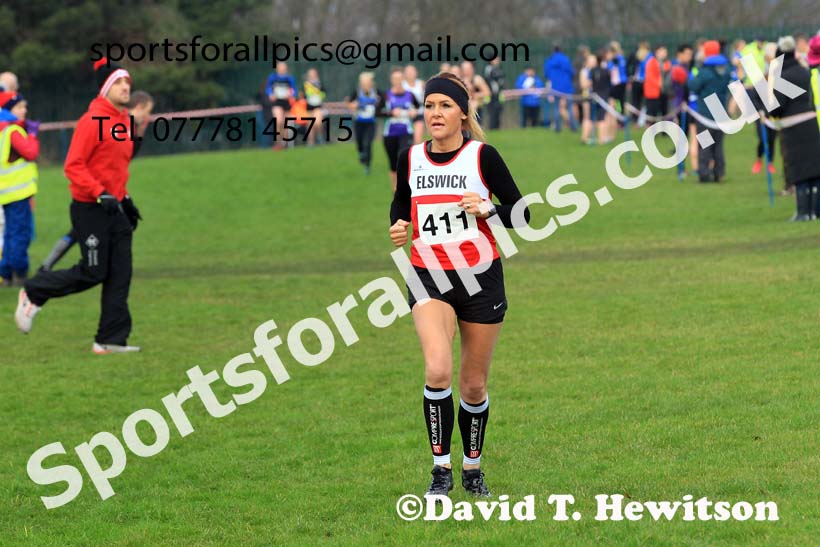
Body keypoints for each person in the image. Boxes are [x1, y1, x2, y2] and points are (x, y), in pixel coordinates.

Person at [388, 72, 529, 498]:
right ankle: (439, 470)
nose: (435, 113)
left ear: (463, 115)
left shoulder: (483, 156)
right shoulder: (409, 158)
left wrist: (488, 210)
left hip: (480, 277)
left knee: (473, 384)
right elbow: (401, 205)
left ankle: (472, 469)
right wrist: (398, 225)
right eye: (429, 105)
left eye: (445, 106)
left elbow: (522, 214)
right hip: (428, 273)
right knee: (437, 369)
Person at [15, 58, 142, 354]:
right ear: (106, 87)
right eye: (120, 82)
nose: (126, 87)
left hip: (115, 209)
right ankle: (35, 290)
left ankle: (110, 339)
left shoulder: (125, 121)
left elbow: (116, 167)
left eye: (128, 83)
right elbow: (73, 166)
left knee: (120, 272)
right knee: (94, 271)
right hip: (90, 208)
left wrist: (124, 198)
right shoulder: (92, 121)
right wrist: (100, 193)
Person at [39, 91, 155, 272]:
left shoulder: (124, 122)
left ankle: (50, 267)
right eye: (147, 111)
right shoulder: (119, 123)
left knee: (87, 232)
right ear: (139, 108)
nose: (148, 117)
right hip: (96, 192)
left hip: (108, 190)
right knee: (81, 235)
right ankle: (47, 270)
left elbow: (124, 159)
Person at [768, 36, 820, 221]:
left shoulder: (782, 76)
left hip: (793, 128)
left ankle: (802, 212)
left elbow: (778, 107)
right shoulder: (804, 71)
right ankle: (815, 211)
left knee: (799, 170)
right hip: (811, 124)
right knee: (815, 170)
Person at [0, 92, 40, 288]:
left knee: (9, 234)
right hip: (18, 193)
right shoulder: (13, 131)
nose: (24, 110)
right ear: (7, 111)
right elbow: (31, 153)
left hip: (6, 193)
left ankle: (6, 273)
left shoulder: (3, 131)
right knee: (20, 234)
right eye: (19, 107)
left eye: (25, 106)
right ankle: (20, 273)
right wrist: (32, 135)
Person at [688, 40, 731, 183]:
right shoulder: (726, 69)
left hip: (706, 112)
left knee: (705, 144)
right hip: (720, 111)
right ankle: (719, 173)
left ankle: (704, 173)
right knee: (718, 145)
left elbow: (693, 86)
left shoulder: (705, 72)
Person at [381, 67, 419, 192]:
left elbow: (419, 107)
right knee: (393, 163)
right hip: (390, 134)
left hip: (406, 133)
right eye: (395, 78)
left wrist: (414, 111)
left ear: (403, 79)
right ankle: (395, 190)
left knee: (403, 159)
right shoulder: (386, 95)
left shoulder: (410, 95)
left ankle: (405, 187)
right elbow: (377, 112)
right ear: (391, 80)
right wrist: (391, 113)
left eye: (399, 78)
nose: (397, 81)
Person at [346, 72, 381, 175]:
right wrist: (353, 105)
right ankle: (361, 153)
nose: (366, 85)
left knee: (368, 143)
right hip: (359, 122)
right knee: (360, 142)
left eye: (368, 82)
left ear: (371, 83)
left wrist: (378, 105)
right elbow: (348, 103)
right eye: (364, 83)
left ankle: (367, 165)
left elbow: (384, 100)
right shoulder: (357, 92)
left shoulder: (376, 92)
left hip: (371, 123)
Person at [265, 61, 297, 150]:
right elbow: (268, 88)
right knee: (278, 121)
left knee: (285, 123)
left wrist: (291, 95)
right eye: (280, 67)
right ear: (277, 68)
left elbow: (294, 90)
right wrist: (271, 94)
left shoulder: (289, 78)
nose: (282, 69)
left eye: (283, 67)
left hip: (286, 102)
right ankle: (278, 142)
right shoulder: (273, 77)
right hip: (277, 102)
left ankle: (284, 143)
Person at [544, 46, 575, 131]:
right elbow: (571, 71)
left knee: (556, 107)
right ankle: (573, 126)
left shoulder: (549, 60)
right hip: (567, 86)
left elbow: (546, 73)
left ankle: (557, 127)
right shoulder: (565, 59)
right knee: (569, 107)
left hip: (555, 87)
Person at [460, 61, 490, 125]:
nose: (466, 71)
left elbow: (487, 92)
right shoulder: (459, 80)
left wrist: (477, 95)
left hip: (476, 106)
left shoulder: (477, 79)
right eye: (464, 69)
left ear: (472, 69)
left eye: (468, 69)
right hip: (463, 107)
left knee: (474, 104)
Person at [644, 44, 669, 121]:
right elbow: (650, 77)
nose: (664, 54)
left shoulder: (667, 63)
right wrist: (659, 84)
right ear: (657, 52)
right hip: (653, 93)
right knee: (652, 113)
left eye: (665, 52)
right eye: (662, 51)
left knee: (664, 112)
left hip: (664, 92)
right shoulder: (651, 62)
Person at [302, 68, 325, 146]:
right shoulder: (305, 84)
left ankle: (320, 136)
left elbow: (323, 93)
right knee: (310, 125)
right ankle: (311, 142)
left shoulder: (320, 84)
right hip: (309, 107)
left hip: (318, 106)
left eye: (314, 74)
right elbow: (303, 96)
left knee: (318, 123)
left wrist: (318, 93)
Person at [403, 65, 425, 144]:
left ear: (416, 73)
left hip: (419, 114)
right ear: (404, 74)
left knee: (417, 139)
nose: (410, 74)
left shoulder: (421, 84)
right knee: (406, 142)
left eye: (412, 71)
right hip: (405, 115)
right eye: (408, 72)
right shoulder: (402, 85)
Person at [483, 56, 505, 130]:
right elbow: (489, 80)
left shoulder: (499, 69)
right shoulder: (489, 69)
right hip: (491, 95)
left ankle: (497, 128)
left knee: (498, 112)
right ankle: (492, 128)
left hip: (498, 95)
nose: (498, 60)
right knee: (492, 112)